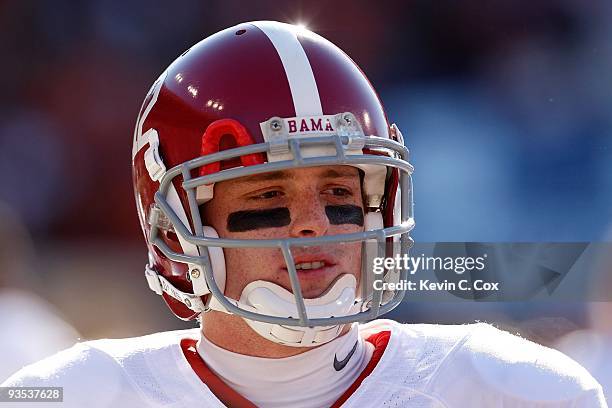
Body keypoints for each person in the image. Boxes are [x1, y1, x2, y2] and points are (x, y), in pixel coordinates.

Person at [2, 21, 606, 408]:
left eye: (341, 195)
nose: (314, 224)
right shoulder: (62, 397)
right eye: (267, 198)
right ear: (175, 227)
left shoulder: (513, 391)